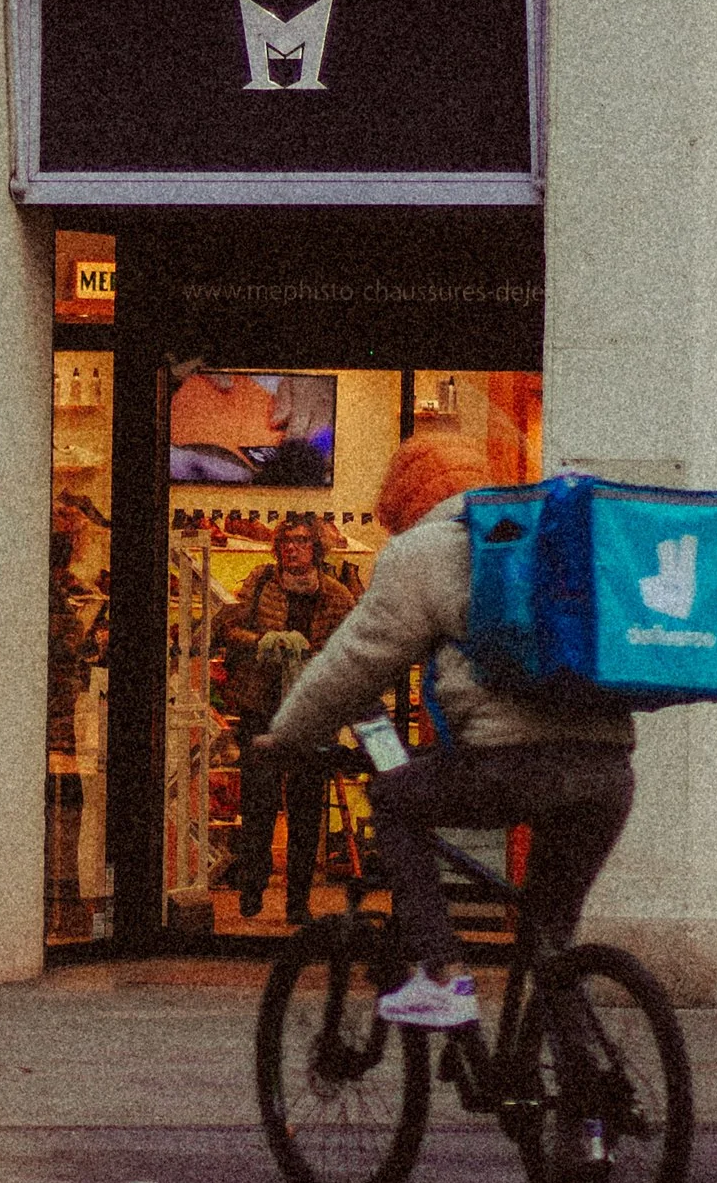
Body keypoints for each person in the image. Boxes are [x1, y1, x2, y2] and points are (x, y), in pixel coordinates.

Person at [246, 437, 634, 1028]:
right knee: (549, 943)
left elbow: (355, 662)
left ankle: (442, 976)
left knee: (394, 800)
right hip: (606, 771)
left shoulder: (424, 549)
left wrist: (288, 735)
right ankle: (589, 1095)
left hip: (511, 765)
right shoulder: (541, 536)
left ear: (403, 497)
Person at [221, 518, 355, 924]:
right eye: (286, 542)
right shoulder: (261, 584)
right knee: (258, 803)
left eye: (301, 542)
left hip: (311, 714)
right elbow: (228, 630)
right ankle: (252, 886)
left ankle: (298, 899)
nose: (292, 549)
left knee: (305, 809)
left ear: (316, 548)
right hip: (261, 707)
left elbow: (346, 651)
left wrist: (314, 661)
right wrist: (262, 643)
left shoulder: (336, 595)